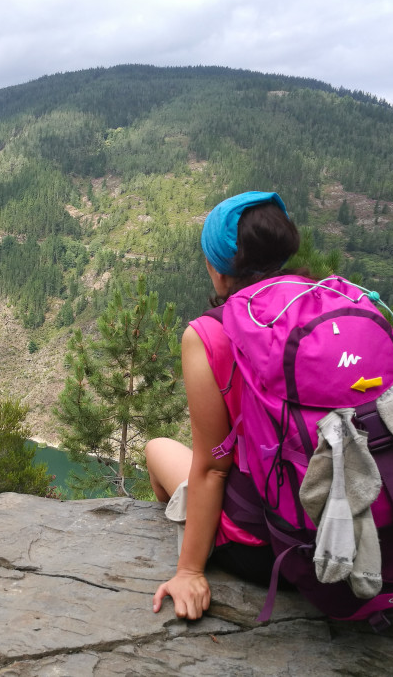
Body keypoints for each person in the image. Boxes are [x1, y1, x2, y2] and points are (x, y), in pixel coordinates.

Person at [146, 191, 304, 620]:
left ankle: (188, 525)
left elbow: (214, 464)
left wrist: (189, 571)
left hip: (272, 549)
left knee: (158, 448)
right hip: (364, 534)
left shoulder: (209, 334)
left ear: (218, 271)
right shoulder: (335, 304)